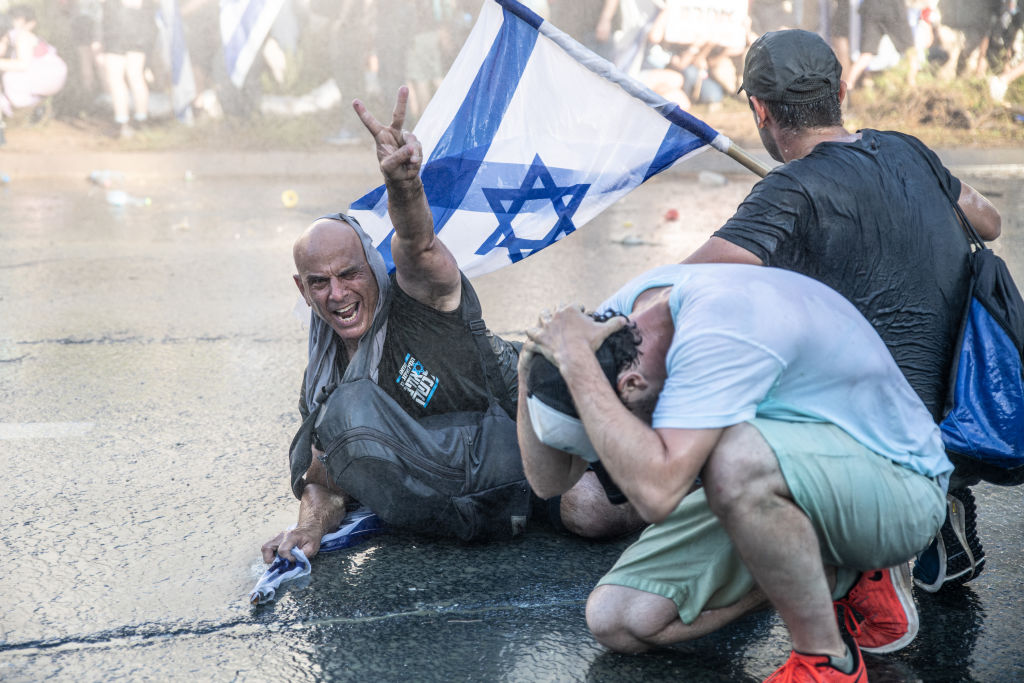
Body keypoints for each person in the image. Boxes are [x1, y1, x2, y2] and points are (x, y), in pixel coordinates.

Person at [519, 263, 951, 681]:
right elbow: (548, 483)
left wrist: (575, 362)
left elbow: (656, 496)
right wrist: (530, 371)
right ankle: (836, 575)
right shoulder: (613, 329)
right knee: (619, 618)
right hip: (790, 478)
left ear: (630, 386)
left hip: (899, 483)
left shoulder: (714, 326)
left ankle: (825, 661)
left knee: (732, 457)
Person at [682, 30, 1001, 595]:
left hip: (874, 438)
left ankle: (861, 548)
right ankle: (934, 502)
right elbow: (989, 223)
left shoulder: (792, 189)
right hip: (966, 414)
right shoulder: (907, 149)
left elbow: (681, 288)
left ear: (759, 109)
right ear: (843, 90)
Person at [262, 87, 638, 564]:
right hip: (475, 489)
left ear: (374, 268)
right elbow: (322, 474)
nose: (336, 294)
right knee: (336, 415)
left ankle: (682, 494)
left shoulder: (418, 306)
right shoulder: (323, 374)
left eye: (350, 274)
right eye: (319, 283)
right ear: (302, 289)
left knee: (590, 510)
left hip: (545, 425)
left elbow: (418, 247)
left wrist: (403, 184)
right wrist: (308, 528)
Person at [0, 5, 69, 143]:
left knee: (9, 78)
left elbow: (22, 64)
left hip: (48, 75)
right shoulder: (12, 37)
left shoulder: (20, 36)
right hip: (46, 77)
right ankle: (36, 108)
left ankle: (37, 107)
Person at [95, 0, 154, 138]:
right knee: (136, 76)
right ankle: (141, 120)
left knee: (116, 79)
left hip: (116, 28)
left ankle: (122, 123)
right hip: (139, 29)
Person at [845, 0, 919, 90]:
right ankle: (912, 85)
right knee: (910, 51)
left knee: (866, 54)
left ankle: (846, 88)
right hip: (893, 9)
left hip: (872, 9)